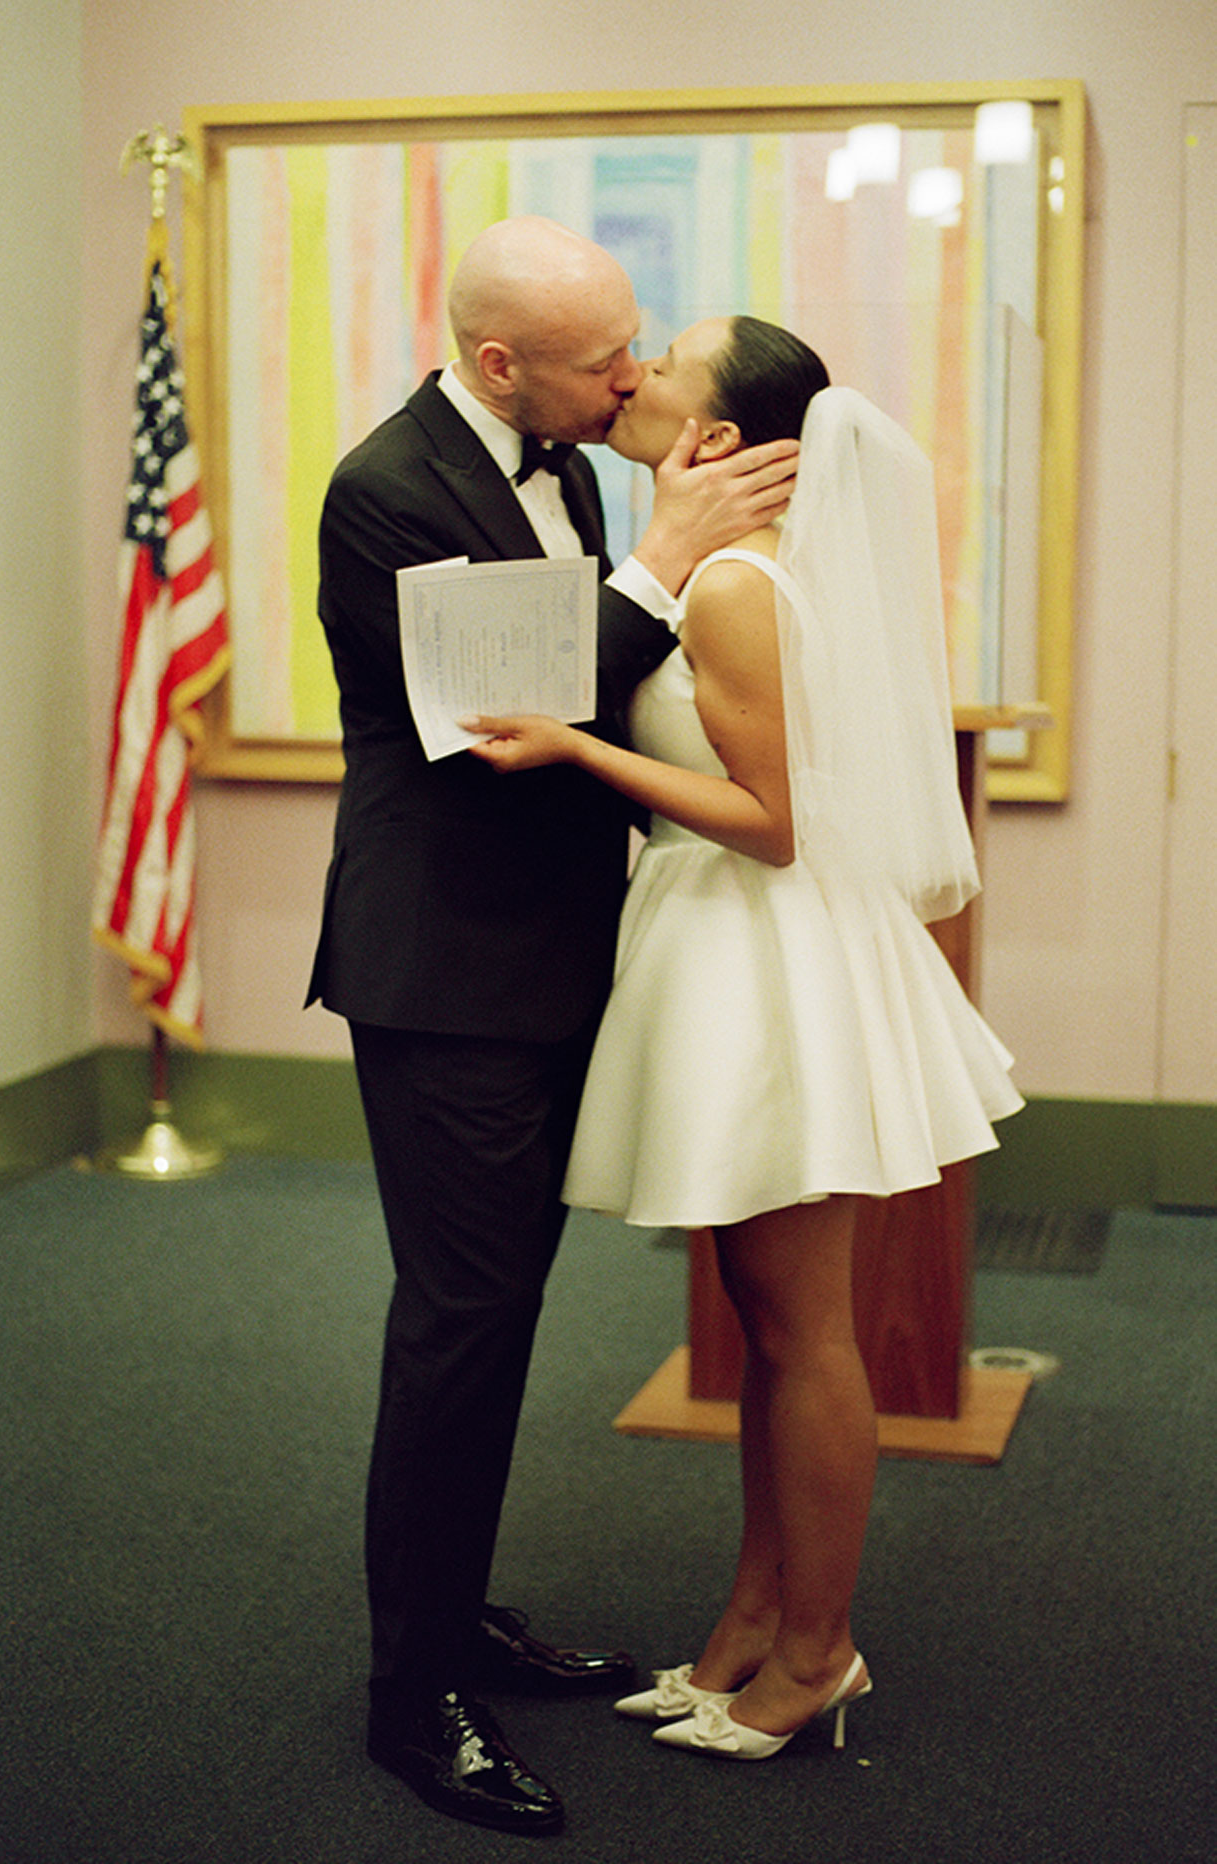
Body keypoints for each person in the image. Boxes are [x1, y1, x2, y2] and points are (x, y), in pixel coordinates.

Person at [465, 314, 1024, 1762]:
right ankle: (746, 1630)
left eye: (668, 368)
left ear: (715, 439)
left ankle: (819, 1653)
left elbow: (776, 825)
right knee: (771, 1332)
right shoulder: (721, 573)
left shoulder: (729, 589)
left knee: (806, 1332)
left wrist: (582, 745)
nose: (634, 375)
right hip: (723, 947)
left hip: (765, 962)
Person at [306, 223, 800, 1835]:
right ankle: (409, 1696)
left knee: (502, 1311)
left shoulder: (574, 462)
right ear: (502, 362)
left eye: (638, 342)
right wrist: (662, 565)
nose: (633, 375)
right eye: (605, 359)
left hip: (549, 959)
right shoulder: (383, 488)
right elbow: (495, 722)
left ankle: (456, 1614)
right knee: (457, 1323)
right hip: (441, 973)